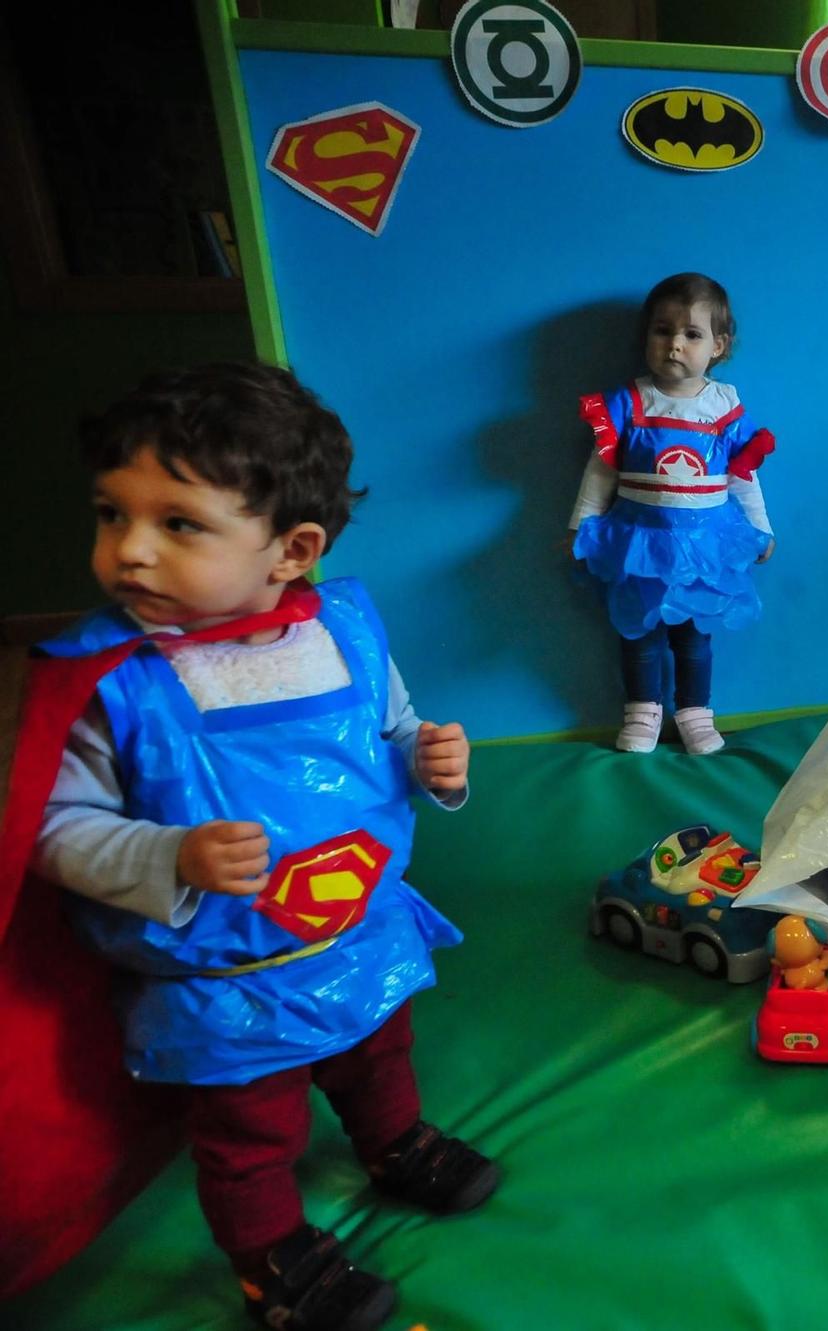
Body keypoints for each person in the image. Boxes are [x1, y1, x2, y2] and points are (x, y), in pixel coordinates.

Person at [16, 363, 496, 1331]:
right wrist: (168, 857)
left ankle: (393, 1139)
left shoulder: (348, 628)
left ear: (292, 549)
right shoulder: (114, 682)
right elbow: (56, 831)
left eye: (178, 523)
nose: (130, 553)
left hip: (358, 937)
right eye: (113, 515)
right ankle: (270, 1254)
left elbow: (390, 734)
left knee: (378, 1051)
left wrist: (433, 761)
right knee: (250, 1127)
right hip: (226, 974)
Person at [569, 272, 776, 756]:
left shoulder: (724, 405)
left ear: (719, 346)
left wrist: (760, 529)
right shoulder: (629, 402)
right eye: (663, 331)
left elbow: (741, 474)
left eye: (692, 334)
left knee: (693, 635)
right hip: (640, 541)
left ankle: (694, 712)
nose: (675, 345)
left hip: (706, 544)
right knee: (638, 631)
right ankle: (643, 710)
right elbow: (602, 469)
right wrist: (582, 525)